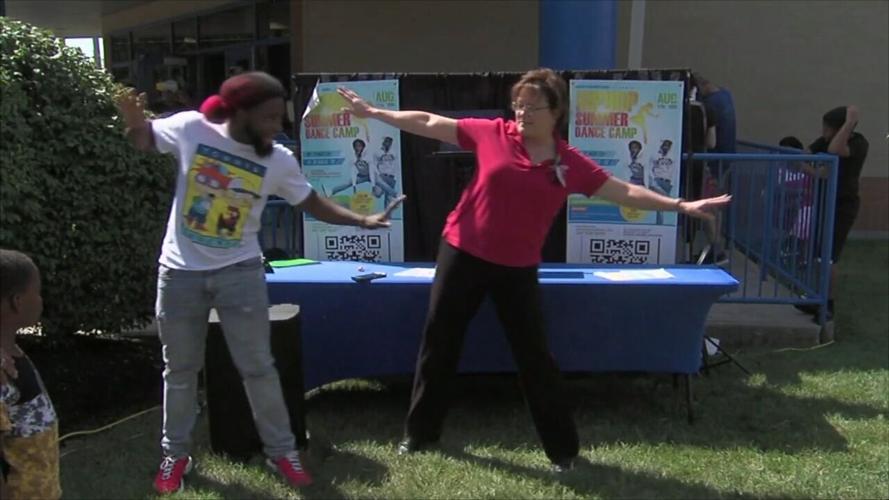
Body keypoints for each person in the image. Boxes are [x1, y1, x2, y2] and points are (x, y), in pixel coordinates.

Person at [337, 68, 731, 472]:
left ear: (556, 112)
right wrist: (375, 113)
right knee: (440, 341)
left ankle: (563, 452)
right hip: (462, 252)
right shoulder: (493, 134)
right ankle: (420, 433)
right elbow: (429, 122)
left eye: (532, 106)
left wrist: (681, 206)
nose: (522, 113)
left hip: (516, 267)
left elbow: (625, 190)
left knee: (534, 357)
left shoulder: (569, 163)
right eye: (518, 105)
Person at [116, 71, 404, 494]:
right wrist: (133, 121)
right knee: (180, 370)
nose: (277, 125)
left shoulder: (278, 160)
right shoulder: (193, 128)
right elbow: (144, 140)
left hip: (241, 274)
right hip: (179, 274)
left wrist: (362, 220)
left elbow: (311, 203)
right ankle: (175, 455)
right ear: (241, 113)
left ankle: (282, 451)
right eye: (268, 117)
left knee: (258, 368)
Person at [796, 106, 868, 320]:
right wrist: (817, 172)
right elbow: (805, 155)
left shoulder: (859, 142)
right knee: (818, 254)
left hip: (843, 205)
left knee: (829, 256)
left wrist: (849, 122)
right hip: (824, 201)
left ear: (840, 129)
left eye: (827, 128)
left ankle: (827, 305)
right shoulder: (824, 140)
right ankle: (815, 297)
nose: (823, 132)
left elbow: (836, 150)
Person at [0, 249, 61, 500]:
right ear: (17, 301)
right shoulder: (4, 373)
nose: (41, 300)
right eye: (37, 292)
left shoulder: (10, 353)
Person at [694, 74, 736, 263]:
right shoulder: (725, 96)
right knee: (713, 206)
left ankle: (716, 250)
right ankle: (715, 249)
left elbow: (710, 141)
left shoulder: (710, 104)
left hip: (713, 161)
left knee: (708, 207)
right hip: (724, 159)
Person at [648, 139, 676, 225]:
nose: (666, 147)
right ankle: (673, 201)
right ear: (661, 146)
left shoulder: (672, 156)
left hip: (667, 182)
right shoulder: (655, 155)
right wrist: (653, 179)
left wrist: (672, 183)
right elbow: (649, 168)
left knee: (661, 205)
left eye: (668, 146)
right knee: (660, 201)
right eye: (665, 145)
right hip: (658, 180)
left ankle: (659, 223)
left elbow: (674, 170)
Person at [372, 136, 400, 206]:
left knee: (388, 200)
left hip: (391, 177)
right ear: (383, 142)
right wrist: (378, 175)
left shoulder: (394, 152)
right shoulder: (377, 152)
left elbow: (397, 165)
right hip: (382, 176)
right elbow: (374, 165)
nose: (388, 143)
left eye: (389, 142)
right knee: (377, 193)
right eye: (386, 141)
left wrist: (396, 177)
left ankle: (387, 213)